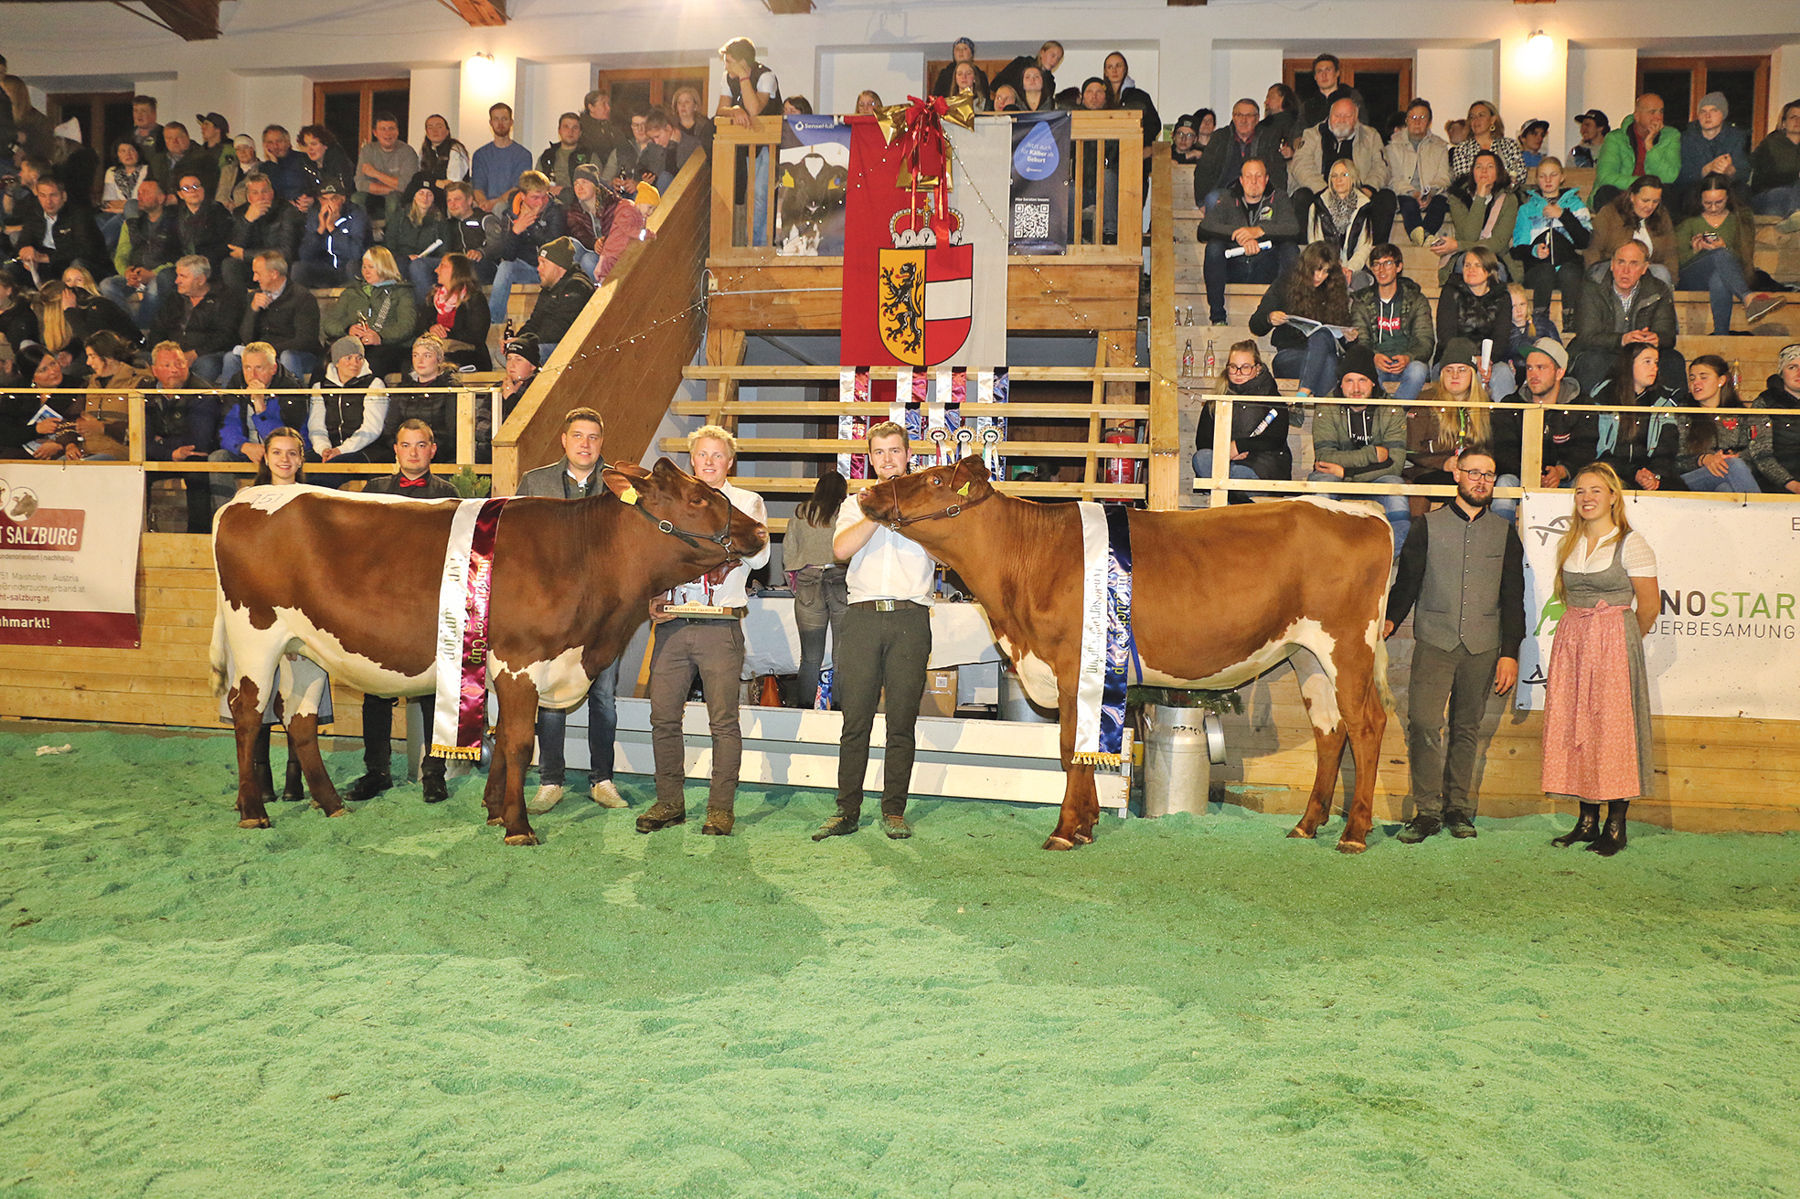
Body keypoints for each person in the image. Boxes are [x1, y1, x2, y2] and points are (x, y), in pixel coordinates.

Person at [1385, 443, 1524, 843]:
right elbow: (1407, 582)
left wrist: (1510, 654)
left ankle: (1458, 810)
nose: (1481, 481)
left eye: (1488, 475)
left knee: (1467, 729)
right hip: (1435, 641)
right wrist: (1390, 620)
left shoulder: (1505, 533)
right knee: (1425, 725)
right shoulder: (1426, 526)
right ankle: (1427, 811)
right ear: (1457, 476)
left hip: (1484, 647)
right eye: (1474, 472)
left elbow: (1513, 598)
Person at [638, 425, 770, 836]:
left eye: (718, 455)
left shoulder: (747, 503)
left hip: (721, 625)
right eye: (702, 455)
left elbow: (762, 558)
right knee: (662, 717)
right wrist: (654, 593)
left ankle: (720, 809)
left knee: (723, 721)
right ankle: (669, 802)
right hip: (674, 624)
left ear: (730, 462)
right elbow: (653, 557)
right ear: (692, 460)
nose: (709, 462)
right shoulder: (673, 503)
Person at [813, 421, 935, 841]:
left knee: (901, 720)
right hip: (862, 617)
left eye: (895, 451)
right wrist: (877, 511)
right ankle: (847, 810)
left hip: (910, 618)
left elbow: (944, 552)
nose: (887, 459)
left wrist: (906, 509)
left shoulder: (926, 502)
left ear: (907, 454)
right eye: (879, 452)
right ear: (870, 458)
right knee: (856, 720)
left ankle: (894, 811)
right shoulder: (855, 504)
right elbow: (841, 550)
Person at [515, 407, 629, 814]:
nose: (585, 444)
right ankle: (551, 780)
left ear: (602, 443)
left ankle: (603, 780)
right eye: (578, 436)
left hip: (604, 612)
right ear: (563, 440)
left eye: (593, 437)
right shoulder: (535, 481)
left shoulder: (622, 487)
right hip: (551, 612)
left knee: (604, 698)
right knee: (550, 698)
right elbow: (519, 544)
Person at [1542, 463, 1659, 855]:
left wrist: (1620, 638)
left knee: (1613, 730)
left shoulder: (1631, 542)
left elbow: (1650, 606)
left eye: (1595, 490)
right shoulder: (1569, 542)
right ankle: (1586, 820)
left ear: (1613, 496)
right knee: (1576, 725)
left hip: (1612, 642)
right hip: (1573, 640)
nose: (1587, 497)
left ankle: (1616, 824)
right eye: (1580, 491)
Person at [344, 418, 459, 805]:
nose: (413, 451)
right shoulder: (373, 491)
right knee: (375, 690)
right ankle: (376, 771)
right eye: (406, 445)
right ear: (396, 450)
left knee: (433, 693)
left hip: (431, 606)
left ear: (432, 450)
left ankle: (434, 773)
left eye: (420, 444)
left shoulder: (449, 494)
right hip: (381, 606)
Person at [239, 425, 335, 804]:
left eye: (292, 452)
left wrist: (301, 624)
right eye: (277, 452)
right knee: (255, 695)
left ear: (301, 458)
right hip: (256, 612)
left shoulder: (315, 499)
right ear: (265, 456)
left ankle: (297, 778)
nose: (284, 459)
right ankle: (261, 778)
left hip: (303, 617)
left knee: (301, 698)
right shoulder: (247, 499)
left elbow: (320, 567)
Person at [1307, 343, 1410, 553]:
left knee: (1396, 489)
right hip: (1337, 476)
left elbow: (1396, 464)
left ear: (1373, 383)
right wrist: (1372, 454)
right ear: (1341, 385)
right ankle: (1323, 554)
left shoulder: (1391, 409)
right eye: (1349, 381)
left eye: (1362, 380)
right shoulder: (1327, 407)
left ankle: (1392, 557)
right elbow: (1325, 457)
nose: (1356, 389)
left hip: (1376, 477)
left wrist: (1346, 472)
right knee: (1322, 486)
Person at [1570, 240, 1684, 395]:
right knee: (1592, 362)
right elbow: (1586, 336)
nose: (1625, 270)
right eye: (1621, 262)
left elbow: (1668, 336)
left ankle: (1668, 414)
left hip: (1642, 354)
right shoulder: (1591, 288)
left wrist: (1655, 338)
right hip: (1604, 352)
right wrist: (1622, 340)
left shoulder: (1658, 289)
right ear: (1612, 265)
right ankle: (1591, 414)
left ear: (1644, 268)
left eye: (1634, 264)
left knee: (1673, 360)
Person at [1675, 174, 1783, 335]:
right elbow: (1678, 263)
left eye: (1719, 202)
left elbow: (1745, 258)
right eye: (1707, 203)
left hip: (1729, 276)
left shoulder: (1738, 220)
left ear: (1728, 198)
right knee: (1719, 255)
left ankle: (1721, 334)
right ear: (1699, 200)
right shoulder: (1689, 222)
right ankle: (1748, 298)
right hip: (1692, 277)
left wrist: (1725, 248)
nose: (1712, 208)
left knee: (1719, 278)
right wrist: (1697, 251)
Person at [1197, 157, 1298, 327]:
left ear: (1266, 179)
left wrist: (1260, 231)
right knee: (1214, 247)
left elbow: (1293, 229)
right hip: (1234, 266)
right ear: (1241, 180)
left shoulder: (1279, 198)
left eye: (1259, 176)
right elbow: (1204, 228)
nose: (1254, 181)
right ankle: (1218, 318)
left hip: (1266, 265)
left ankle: (1286, 313)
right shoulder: (1228, 198)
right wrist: (1240, 235)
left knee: (1291, 249)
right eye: (1249, 176)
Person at [209, 340, 309, 510]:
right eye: (247, 368)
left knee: (282, 458)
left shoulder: (291, 389)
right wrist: (243, 446)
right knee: (217, 458)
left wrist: (260, 406)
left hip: (279, 455)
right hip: (247, 452)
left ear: (273, 368)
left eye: (259, 368)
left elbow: (286, 437)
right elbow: (226, 426)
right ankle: (226, 516)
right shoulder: (237, 384)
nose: (252, 375)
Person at [1249, 239, 1354, 398]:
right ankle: (1321, 413)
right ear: (1306, 267)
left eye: (1325, 271)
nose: (1320, 276)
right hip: (1290, 356)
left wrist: (1349, 337)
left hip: (1327, 355)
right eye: (1316, 270)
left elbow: (1344, 338)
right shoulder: (1285, 284)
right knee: (1330, 362)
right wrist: (1269, 318)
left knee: (1325, 344)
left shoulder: (1335, 291)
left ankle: (1303, 394)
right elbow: (1255, 325)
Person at [785, 469, 850, 709]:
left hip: (809, 581)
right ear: (843, 491)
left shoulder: (802, 512)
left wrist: (795, 583)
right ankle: (841, 709)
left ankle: (803, 709)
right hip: (840, 581)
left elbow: (789, 552)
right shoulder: (845, 513)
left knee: (810, 658)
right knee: (842, 656)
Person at [1192, 339, 1291, 496]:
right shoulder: (1217, 397)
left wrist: (1240, 446)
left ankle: (1230, 498)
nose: (1238, 373)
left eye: (1245, 367)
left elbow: (1276, 439)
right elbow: (1203, 440)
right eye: (1233, 367)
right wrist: (1225, 451)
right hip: (1223, 462)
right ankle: (1235, 497)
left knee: (1238, 473)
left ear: (1257, 368)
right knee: (1202, 458)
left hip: (1261, 465)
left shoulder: (1272, 396)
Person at [1289, 97, 1393, 246]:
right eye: (1337, 115)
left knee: (1386, 197)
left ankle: (1376, 255)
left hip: (1359, 195)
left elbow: (1381, 167)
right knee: (1301, 196)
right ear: (1329, 116)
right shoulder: (1311, 135)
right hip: (1321, 192)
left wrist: (1368, 189)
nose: (1341, 120)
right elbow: (1300, 166)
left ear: (1356, 118)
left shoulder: (1371, 136)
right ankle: (1307, 253)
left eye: (1347, 116)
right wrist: (1324, 191)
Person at [144, 339, 223, 532]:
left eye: (179, 363)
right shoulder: (145, 392)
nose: (174, 369)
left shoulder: (202, 392)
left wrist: (161, 441)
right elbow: (141, 439)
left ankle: (198, 536)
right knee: (136, 472)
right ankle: (139, 532)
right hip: (164, 457)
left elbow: (198, 441)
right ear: (155, 370)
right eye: (167, 365)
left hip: (193, 458)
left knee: (197, 472)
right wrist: (169, 452)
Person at [1492, 337, 1582, 503]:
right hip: (1520, 478)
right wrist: (1531, 473)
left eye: (1541, 368)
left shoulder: (1581, 406)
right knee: (1504, 486)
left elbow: (1585, 449)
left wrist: (1562, 471)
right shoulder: (1511, 404)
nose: (1533, 374)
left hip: (1565, 480)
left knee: (1585, 486)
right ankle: (1505, 530)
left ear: (1559, 372)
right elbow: (1502, 450)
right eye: (1529, 368)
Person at [1588, 342, 1685, 491]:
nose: (1654, 367)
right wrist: (1633, 473)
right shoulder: (1604, 396)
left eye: (1656, 362)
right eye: (1647, 361)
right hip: (1614, 473)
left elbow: (1667, 448)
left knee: (1680, 492)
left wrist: (1655, 475)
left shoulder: (1663, 400)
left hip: (1652, 476)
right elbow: (1598, 449)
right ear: (1629, 364)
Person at [1509, 156, 1592, 326]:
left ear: (1562, 177)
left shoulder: (1576, 205)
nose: (1548, 180)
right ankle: (1540, 322)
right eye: (1542, 176)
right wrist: (1533, 251)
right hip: (1538, 268)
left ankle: (1571, 321)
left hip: (1568, 266)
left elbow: (1585, 241)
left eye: (1553, 175)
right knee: (1545, 271)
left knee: (1570, 271)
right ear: (1537, 179)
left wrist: (1563, 215)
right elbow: (1517, 248)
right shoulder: (1526, 209)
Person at [717, 36, 782, 248]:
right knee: (751, 196)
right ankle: (753, 244)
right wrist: (734, 110)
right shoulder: (727, 77)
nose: (725, 66)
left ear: (742, 62)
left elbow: (754, 109)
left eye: (729, 61)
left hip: (768, 145)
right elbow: (720, 110)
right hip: (745, 146)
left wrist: (744, 78)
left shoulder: (766, 76)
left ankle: (761, 246)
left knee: (762, 195)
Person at [1405, 340, 1492, 497]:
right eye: (1449, 370)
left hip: (1474, 475)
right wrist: (1443, 463)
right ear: (1442, 374)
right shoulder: (1425, 401)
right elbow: (1411, 448)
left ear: (1472, 374)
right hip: (1429, 472)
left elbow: (1492, 448)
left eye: (1462, 370)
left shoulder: (1485, 406)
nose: (1455, 375)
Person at [1349, 244, 1434, 401]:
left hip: (1408, 363)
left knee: (1418, 370)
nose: (1381, 270)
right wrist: (1374, 356)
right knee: (1363, 371)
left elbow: (1425, 340)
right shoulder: (1361, 301)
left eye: (1387, 263)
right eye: (1376, 264)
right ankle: (1384, 414)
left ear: (1399, 267)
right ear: (1372, 269)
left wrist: (1408, 357)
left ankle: (1393, 415)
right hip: (1375, 362)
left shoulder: (1416, 299)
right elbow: (1360, 340)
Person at [1676, 354, 1769, 494]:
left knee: (1725, 489)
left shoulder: (1739, 414)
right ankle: (1762, 514)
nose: (1696, 383)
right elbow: (1675, 460)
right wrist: (1703, 460)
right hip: (1691, 479)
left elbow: (1755, 454)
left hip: (1728, 476)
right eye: (1692, 378)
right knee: (1732, 466)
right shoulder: (1681, 414)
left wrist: (1735, 457)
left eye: (1703, 377)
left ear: (1721, 380)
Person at [320, 246, 417, 379]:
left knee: (372, 364)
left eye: (371, 267)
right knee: (322, 368)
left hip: (390, 347)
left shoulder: (401, 292)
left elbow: (406, 326)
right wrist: (348, 330)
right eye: (364, 267)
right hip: (354, 345)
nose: (366, 271)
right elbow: (329, 323)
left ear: (384, 267)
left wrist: (380, 337)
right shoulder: (352, 292)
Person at [486, 170, 567, 325]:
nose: (541, 202)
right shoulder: (510, 214)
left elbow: (553, 247)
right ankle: (493, 322)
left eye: (544, 196)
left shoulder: (556, 210)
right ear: (522, 196)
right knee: (505, 267)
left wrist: (531, 226)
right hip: (528, 268)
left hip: (551, 269)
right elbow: (507, 254)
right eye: (535, 197)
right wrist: (515, 232)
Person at [1436, 246, 1517, 400]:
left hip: (1490, 360)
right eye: (1467, 265)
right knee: (1464, 373)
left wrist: (1486, 361)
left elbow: (1501, 337)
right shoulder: (1450, 291)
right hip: (1453, 359)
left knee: (1503, 373)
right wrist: (1473, 358)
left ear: (1489, 270)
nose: (1470, 269)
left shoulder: (1502, 297)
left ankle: (1505, 420)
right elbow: (1445, 335)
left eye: (1477, 265)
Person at [229, 250, 320, 384]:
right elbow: (246, 338)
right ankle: (233, 402)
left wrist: (268, 352)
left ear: (273, 274)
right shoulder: (253, 297)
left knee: (288, 357)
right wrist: (253, 310)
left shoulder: (302, 297)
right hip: (262, 355)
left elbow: (306, 340)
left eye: (258, 273)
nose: (254, 279)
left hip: (296, 354)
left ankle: (294, 401)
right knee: (231, 358)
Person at [149, 253, 243, 382]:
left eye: (183, 276)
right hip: (173, 354)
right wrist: (163, 353)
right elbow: (158, 328)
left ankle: (194, 400)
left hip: (208, 354)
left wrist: (196, 352)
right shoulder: (174, 298)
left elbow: (227, 335)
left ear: (200, 280)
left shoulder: (225, 298)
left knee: (206, 365)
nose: (177, 281)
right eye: (177, 275)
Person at [101, 177, 180, 329]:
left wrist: (153, 273)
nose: (140, 196)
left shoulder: (175, 222)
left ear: (161, 198)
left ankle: (141, 328)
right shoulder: (132, 223)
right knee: (107, 285)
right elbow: (121, 253)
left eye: (146, 192)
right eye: (139, 192)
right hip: (134, 275)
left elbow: (179, 255)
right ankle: (130, 327)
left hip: (160, 274)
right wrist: (126, 271)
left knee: (154, 287)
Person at [1433, 150, 1518, 285]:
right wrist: (1480, 198)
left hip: (1496, 257)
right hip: (1464, 257)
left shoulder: (1509, 199)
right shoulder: (1458, 198)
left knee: (1496, 271)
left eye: (1490, 167)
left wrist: (1458, 245)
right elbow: (1469, 236)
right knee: (1466, 265)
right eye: (1479, 167)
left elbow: (1498, 243)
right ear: (1472, 172)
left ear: (1498, 172)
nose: (1484, 171)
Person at [308, 336, 389, 467]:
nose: (355, 363)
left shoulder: (374, 384)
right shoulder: (320, 387)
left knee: (328, 472)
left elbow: (372, 429)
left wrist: (341, 450)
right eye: (348, 358)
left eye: (359, 358)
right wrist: (324, 449)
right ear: (337, 362)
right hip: (329, 449)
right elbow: (316, 427)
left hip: (365, 449)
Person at [1585, 176, 1679, 287]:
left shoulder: (1662, 217)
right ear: (1632, 197)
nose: (1650, 206)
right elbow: (1594, 249)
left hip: (1646, 271)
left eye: (1655, 201)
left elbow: (1670, 254)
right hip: (1612, 268)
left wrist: (1672, 279)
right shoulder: (1609, 213)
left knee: (1661, 272)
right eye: (1645, 200)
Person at [1194, 98, 1288, 208]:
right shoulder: (1220, 138)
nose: (1243, 120)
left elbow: (1278, 170)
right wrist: (1201, 201)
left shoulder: (1268, 138)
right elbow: (1204, 170)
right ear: (1233, 117)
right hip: (1225, 191)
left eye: (1248, 116)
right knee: (1212, 199)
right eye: (1239, 115)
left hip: (1257, 192)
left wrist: (1276, 198)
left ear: (1257, 119)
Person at [1593, 94, 1679, 207]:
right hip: (1624, 193)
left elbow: (1669, 177)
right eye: (1652, 112)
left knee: (1670, 193)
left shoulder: (1671, 136)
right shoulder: (1615, 138)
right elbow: (1605, 177)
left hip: (1653, 196)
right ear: (1637, 116)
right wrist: (1642, 185)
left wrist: (1650, 146)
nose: (1658, 117)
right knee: (1605, 192)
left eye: (1661, 112)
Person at [223, 172, 303, 292]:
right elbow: (233, 248)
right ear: (249, 197)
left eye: (265, 192)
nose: (261, 197)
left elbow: (286, 251)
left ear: (272, 193)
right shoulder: (240, 213)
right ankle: (239, 307)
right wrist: (247, 221)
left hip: (277, 266)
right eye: (255, 193)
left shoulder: (286, 211)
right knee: (229, 265)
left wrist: (246, 254)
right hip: (252, 267)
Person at [1387, 99, 1452, 245]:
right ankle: (1420, 234)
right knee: (1408, 203)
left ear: (1429, 122)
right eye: (1413, 117)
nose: (1417, 122)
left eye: (1422, 118)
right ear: (1407, 120)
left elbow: (1444, 177)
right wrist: (1413, 193)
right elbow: (1393, 178)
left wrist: (1429, 193)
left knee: (1440, 202)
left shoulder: (1439, 146)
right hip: (1405, 194)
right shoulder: (1393, 146)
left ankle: (1425, 234)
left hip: (1432, 192)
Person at [516, 236, 593, 358]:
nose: (539, 268)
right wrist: (517, 341)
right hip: (545, 343)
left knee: (526, 355)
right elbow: (534, 321)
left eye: (544, 263)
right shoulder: (549, 286)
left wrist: (528, 343)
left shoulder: (577, 286)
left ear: (559, 265)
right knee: (512, 353)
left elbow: (560, 328)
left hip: (572, 348)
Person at [1304, 158, 1378, 283]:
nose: (1339, 180)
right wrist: (1333, 267)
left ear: (1353, 178)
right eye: (1334, 176)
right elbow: (1315, 243)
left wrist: (1349, 269)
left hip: (1355, 268)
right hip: (1325, 268)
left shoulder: (1364, 206)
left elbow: (1365, 246)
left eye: (1344, 175)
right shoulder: (1317, 207)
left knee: (1360, 280)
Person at [413, 252, 490, 370]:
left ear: (457, 270)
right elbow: (418, 327)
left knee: (440, 363)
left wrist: (446, 333)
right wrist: (431, 329)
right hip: (435, 352)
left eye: (442, 265)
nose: (436, 270)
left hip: (468, 354)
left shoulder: (474, 298)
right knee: (408, 363)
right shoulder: (433, 298)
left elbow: (477, 335)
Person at [1675, 92, 1750, 211]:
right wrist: (1705, 170)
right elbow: (1680, 175)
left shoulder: (1736, 137)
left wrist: (1730, 170)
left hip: (1727, 189)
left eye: (1714, 110)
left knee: (1741, 192)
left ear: (1723, 114)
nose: (1707, 116)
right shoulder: (1686, 139)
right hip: (1695, 190)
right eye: (1703, 111)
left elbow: (1744, 170)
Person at [292, 182, 369, 287]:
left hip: (347, 269)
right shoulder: (315, 215)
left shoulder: (356, 214)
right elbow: (305, 255)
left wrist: (333, 228)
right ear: (319, 200)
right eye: (324, 199)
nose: (329, 204)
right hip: (325, 270)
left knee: (353, 266)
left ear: (343, 199)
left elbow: (356, 253)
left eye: (334, 199)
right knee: (298, 269)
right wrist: (320, 230)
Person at [478, 332, 539, 463]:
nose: (512, 364)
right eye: (509, 358)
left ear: (532, 366)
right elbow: (479, 427)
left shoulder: (538, 389)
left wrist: (511, 398)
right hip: (490, 451)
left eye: (518, 359)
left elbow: (528, 428)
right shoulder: (497, 388)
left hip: (524, 454)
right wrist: (497, 435)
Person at [352, 111, 419, 221]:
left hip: (398, 198)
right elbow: (360, 184)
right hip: (374, 196)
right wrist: (394, 186)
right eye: (383, 129)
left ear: (397, 131)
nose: (388, 134)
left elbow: (407, 186)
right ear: (375, 132)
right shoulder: (368, 151)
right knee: (356, 199)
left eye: (391, 128)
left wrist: (375, 174)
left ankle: (390, 236)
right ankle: (361, 235)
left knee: (393, 201)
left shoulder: (407, 152)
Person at [1752, 344, 1800, 494]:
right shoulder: (1764, 403)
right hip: (1776, 484)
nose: (1799, 372)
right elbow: (1761, 454)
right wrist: (1791, 484)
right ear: (1781, 372)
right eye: (1792, 367)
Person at [470, 102, 533, 213]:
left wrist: (494, 203)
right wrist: (483, 203)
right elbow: (478, 187)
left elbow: (517, 187)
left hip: (510, 205)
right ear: (490, 122)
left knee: (499, 208)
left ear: (511, 122)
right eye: (496, 119)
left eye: (504, 119)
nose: (500, 123)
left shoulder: (523, 155)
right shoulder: (480, 154)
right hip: (484, 204)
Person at [1449, 101, 1526, 182]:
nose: (1476, 120)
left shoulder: (1509, 145)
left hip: (1507, 192)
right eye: (1472, 117)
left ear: (1492, 120)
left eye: (1481, 115)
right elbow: (1463, 181)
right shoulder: (1462, 149)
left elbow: (1520, 175)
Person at [1750, 99, 1800, 223]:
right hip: (1768, 194)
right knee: (1786, 193)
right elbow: (1782, 171)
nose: (1798, 121)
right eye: (1793, 117)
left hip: (1793, 193)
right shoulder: (1772, 143)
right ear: (1783, 123)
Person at [1298, 53, 1368, 130]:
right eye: (1319, 71)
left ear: (1337, 73)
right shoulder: (1307, 105)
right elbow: (1299, 133)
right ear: (1315, 76)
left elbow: (1362, 127)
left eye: (1328, 70)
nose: (1324, 75)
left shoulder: (1351, 96)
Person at [991, 42, 1063, 104]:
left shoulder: (1050, 83)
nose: (1054, 61)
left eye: (1058, 59)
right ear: (1042, 52)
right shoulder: (1021, 63)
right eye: (1053, 55)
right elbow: (996, 84)